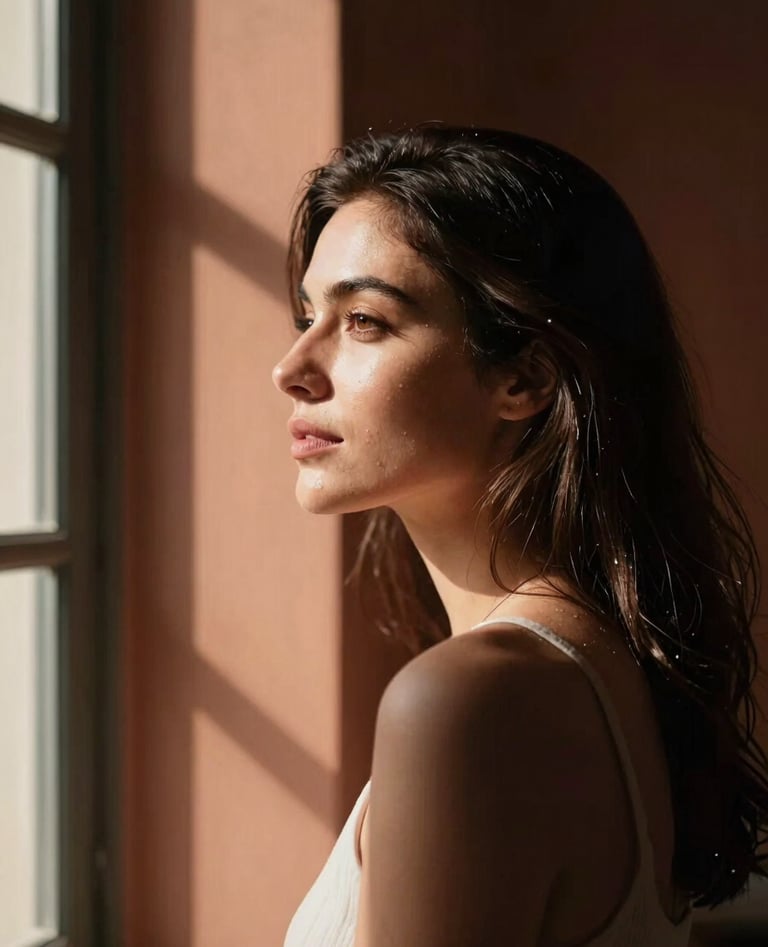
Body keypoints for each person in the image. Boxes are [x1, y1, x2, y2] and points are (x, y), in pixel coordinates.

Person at [273, 124, 768, 947]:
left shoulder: (471, 700)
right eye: (306, 314)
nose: (291, 367)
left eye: (363, 320)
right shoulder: (592, 660)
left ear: (524, 377)